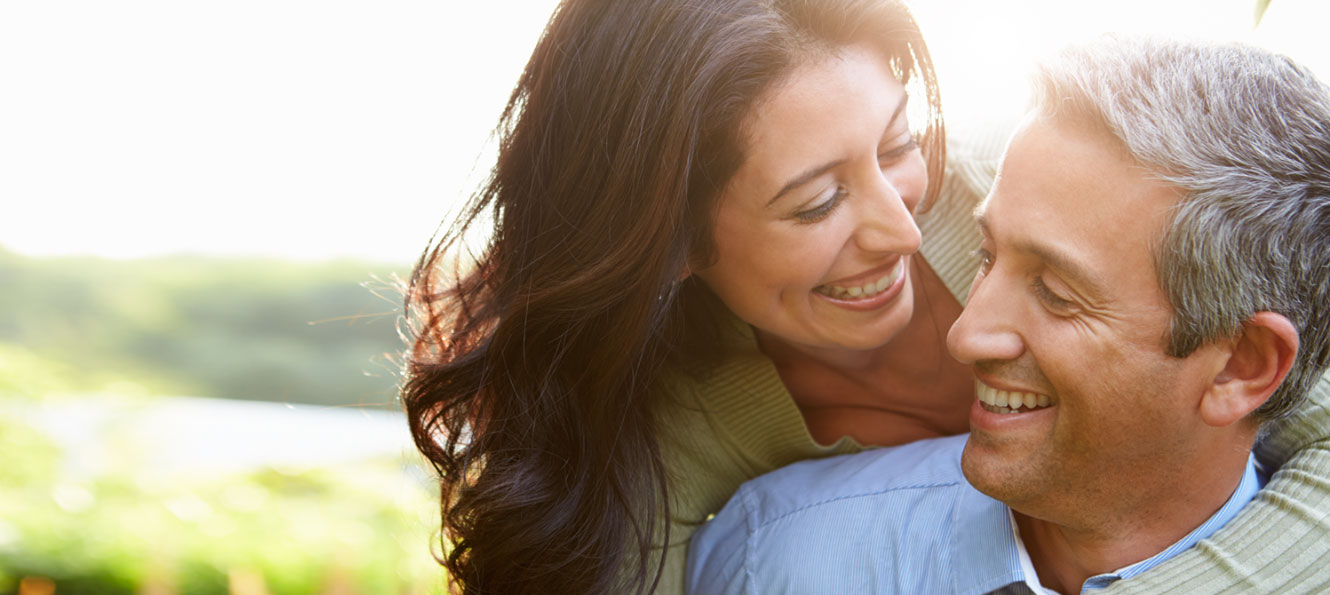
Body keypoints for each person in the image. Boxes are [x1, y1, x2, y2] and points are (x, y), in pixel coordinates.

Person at [399, 0, 1330, 592]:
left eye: (896, 145)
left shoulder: (1056, 194)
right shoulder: (678, 420)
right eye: (816, 200)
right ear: (674, 241)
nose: (900, 226)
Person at [687, 37, 1330, 594]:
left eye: (1054, 290)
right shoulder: (768, 557)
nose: (963, 335)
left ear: (1241, 366)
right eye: (983, 254)